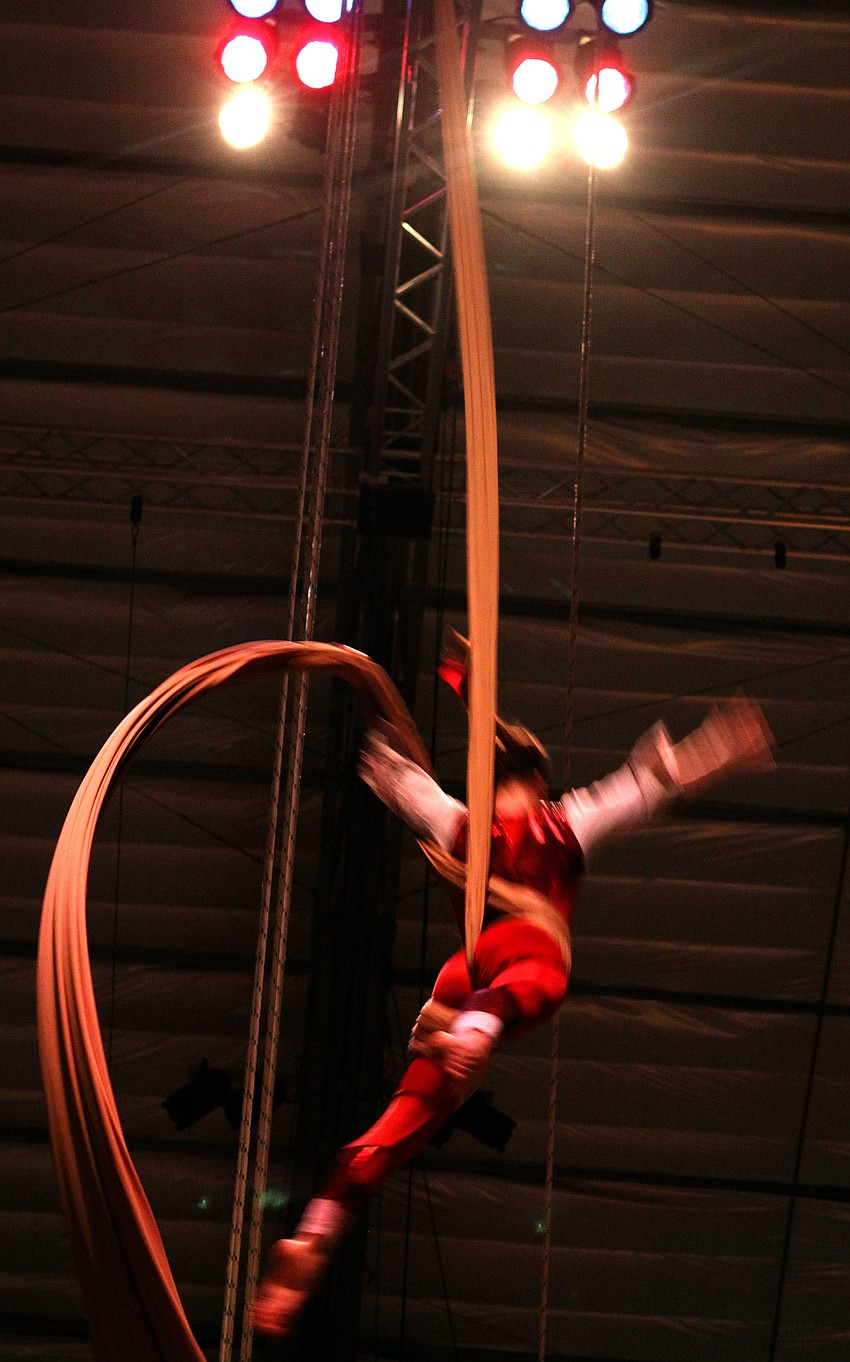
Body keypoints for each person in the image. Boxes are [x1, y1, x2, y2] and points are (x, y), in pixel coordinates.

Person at [253, 670, 774, 1338]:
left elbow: (404, 782)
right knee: (539, 978)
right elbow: (650, 782)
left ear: (511, 785)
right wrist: (720, 747)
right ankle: (466, 1035)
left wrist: (378, 735)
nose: (507, 799)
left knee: (391, 1132)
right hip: (502, 972)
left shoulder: (501, 824)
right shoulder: (532, 825)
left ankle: (317, 1232)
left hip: (471, 977)